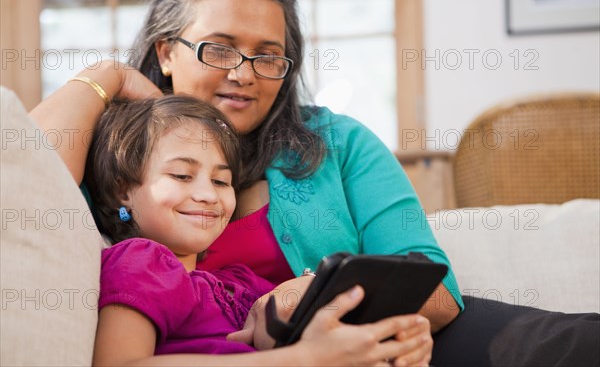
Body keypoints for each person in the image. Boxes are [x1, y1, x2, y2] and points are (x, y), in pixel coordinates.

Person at [30, 0, 598, 366]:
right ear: (166, 51)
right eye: (219, 48)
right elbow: (30, 185)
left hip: (399, 342)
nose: (245, 72)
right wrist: (106, 79)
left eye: (268, 54)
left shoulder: (337, 142)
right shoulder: (120, 157)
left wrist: (305, 296)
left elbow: (436, 287)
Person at [86, 95, 433, 366]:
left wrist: (389, 342)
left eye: (222, 181)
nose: (208, 195)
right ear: (122, 190)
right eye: (181, 175)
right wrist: (301, 360)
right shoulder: (142, 262)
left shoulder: (240, 283)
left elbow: (306, 336)